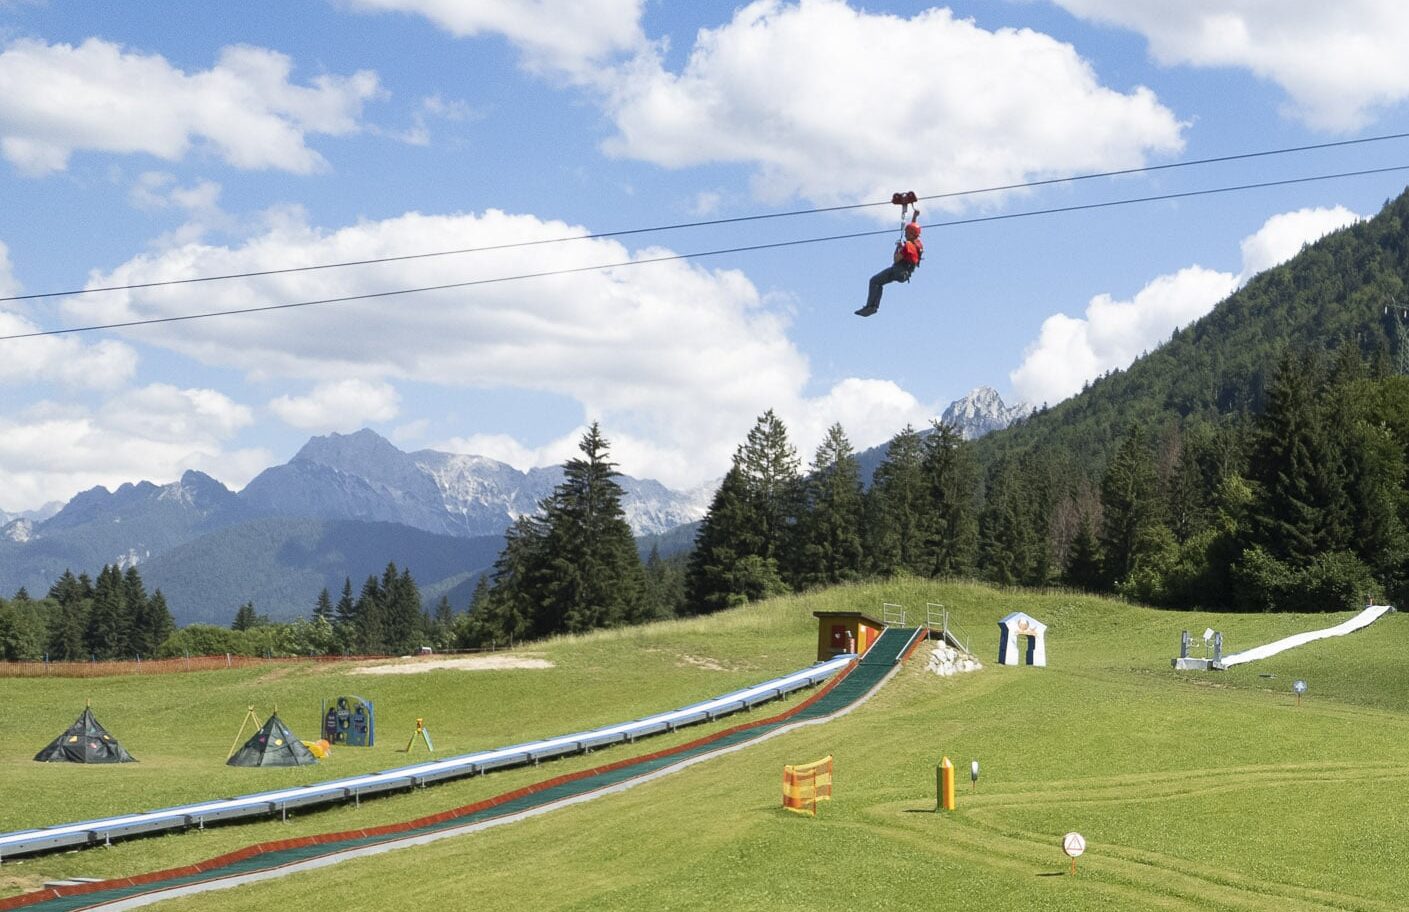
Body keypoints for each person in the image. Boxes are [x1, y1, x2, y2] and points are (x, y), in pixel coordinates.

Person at [855, 217, 922, 317]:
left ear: (911, 234)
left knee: (874, 280)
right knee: (879, 283)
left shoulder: (908, 246)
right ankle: (872, 307)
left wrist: (899, 248)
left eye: (907, 232)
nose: (905, 234)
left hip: (898, 271)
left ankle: (871, 306)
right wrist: (915, 217)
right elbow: (914, 228)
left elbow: (896, 259)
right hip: (906, 274)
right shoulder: (918, 244)